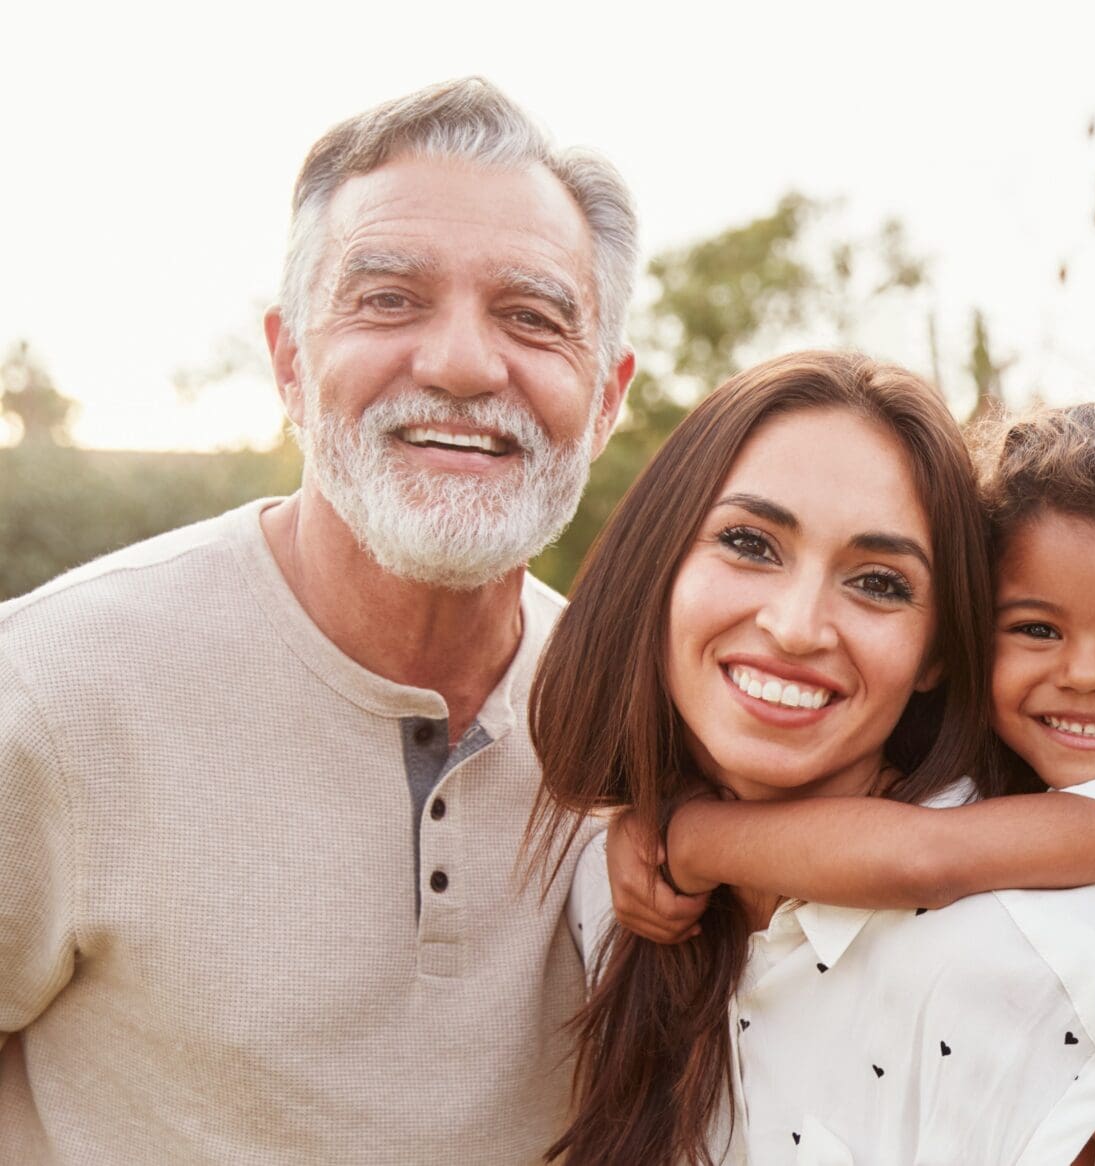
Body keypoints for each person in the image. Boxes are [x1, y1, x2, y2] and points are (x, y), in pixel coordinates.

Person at [536, 353, 1095, 1164]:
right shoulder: (598, 886)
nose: (796, 626)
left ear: (940, 649)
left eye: (880, 582)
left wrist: (687, 835)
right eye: (749, 543)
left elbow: (927, 861)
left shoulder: (1030, 952)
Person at [0, 78, 636, 1161]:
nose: (462, 365)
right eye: (389, 299)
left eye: (532, 318)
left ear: (608, 396)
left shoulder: (644, 726)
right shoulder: (52, 690)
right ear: (290, 362)